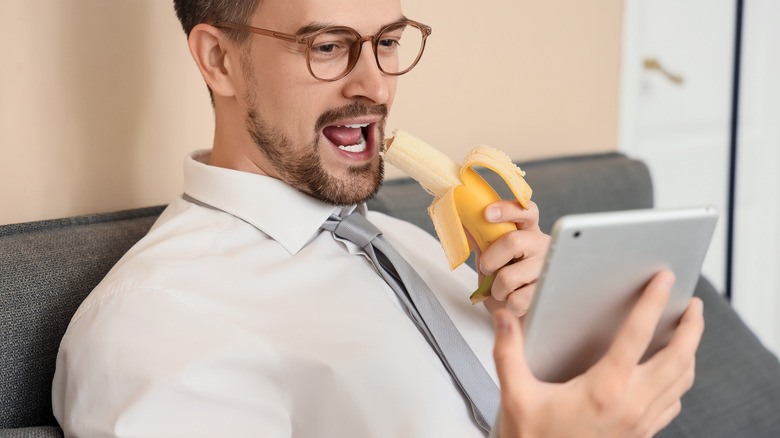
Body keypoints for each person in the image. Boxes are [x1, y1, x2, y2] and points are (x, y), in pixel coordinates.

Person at [51, 0, 704, 436]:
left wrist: (568, 334)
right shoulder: (158, 322)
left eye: (387, 42)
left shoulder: (412, 244)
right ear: (220, 60)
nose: (378, 85)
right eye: (329, 46)